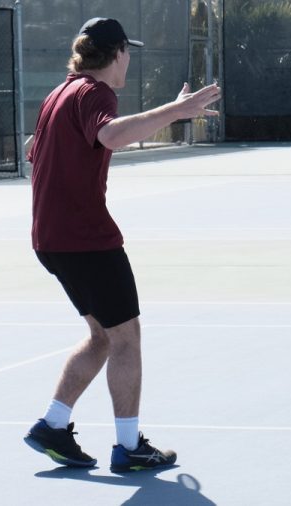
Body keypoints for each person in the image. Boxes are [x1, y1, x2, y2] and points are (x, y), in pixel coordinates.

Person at [22, 17, 221, 471]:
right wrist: (176, 112)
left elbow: (39, 150)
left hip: (50, 239)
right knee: (126, 339)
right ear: (116, 54)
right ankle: (130, 449)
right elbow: (110, 135)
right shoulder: (96, 93)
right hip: (86, 240)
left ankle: (52, 426)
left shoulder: (59, 94)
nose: (128, 58)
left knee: (102, 338)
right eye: (127, 51)